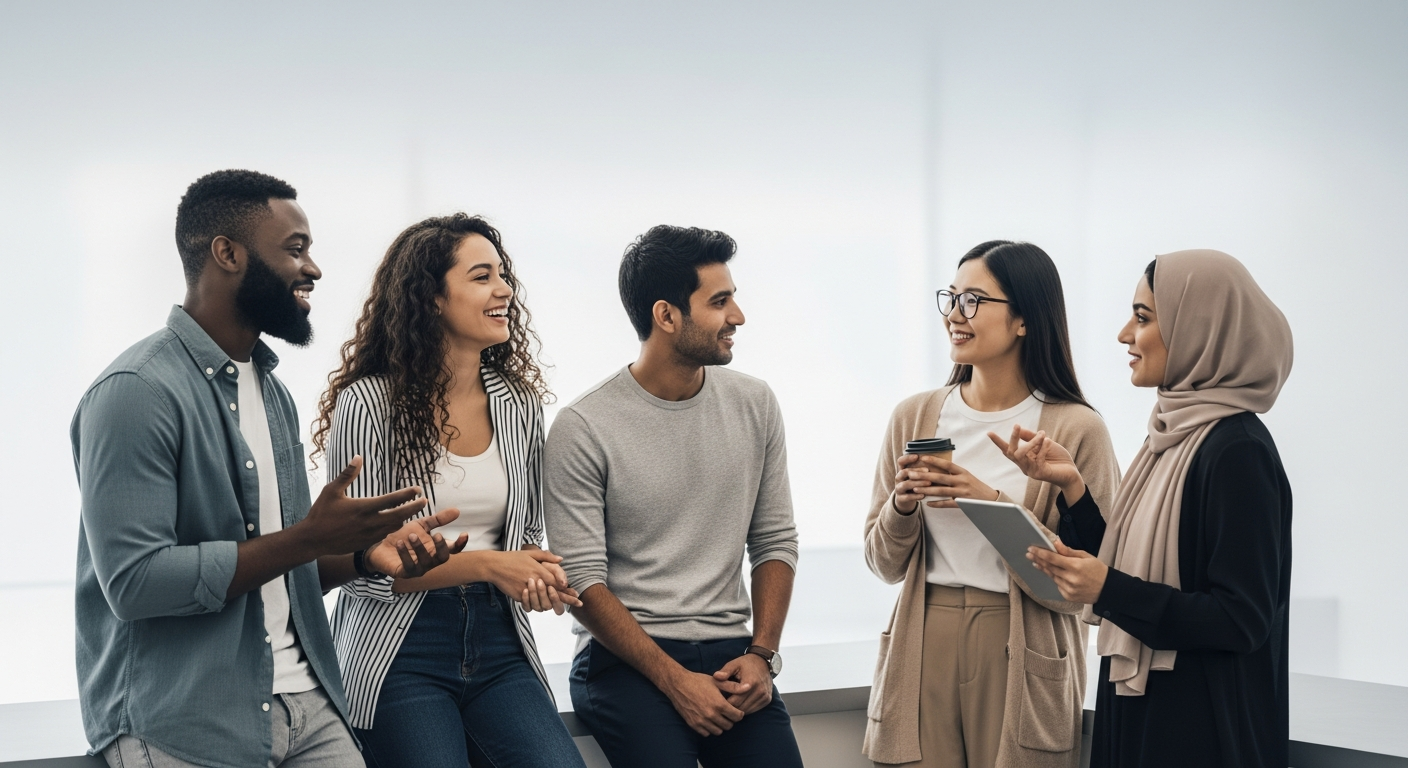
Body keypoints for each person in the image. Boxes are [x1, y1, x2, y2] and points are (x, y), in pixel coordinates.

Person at [72, 170, 464, 768]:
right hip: (186, 725)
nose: (314, 269)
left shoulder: (272, 393)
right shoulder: (136, 391)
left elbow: (280, 561)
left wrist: (361, 554)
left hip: (307, 705)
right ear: (227, 254)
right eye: (296, 249)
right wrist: (310, 537)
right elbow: (135, 583)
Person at [312, 213, 588, 768]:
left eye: (503, 275)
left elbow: (524, 536)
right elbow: (365, 570)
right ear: (432, 298)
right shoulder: (370, 403)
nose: (504, 289)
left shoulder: (518, 404)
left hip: (499, 642)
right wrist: (493, 566)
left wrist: (534, 577)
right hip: (401, 649)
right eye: (482, 276)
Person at [1005, 250, 1293, 767]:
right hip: (1145, 714)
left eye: (1142, 318)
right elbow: (1126, 568)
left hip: (1201, 733)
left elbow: (1240, 619)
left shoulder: (1237, 452)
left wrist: (1107, 590)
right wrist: (1071, 484)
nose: (1124, 334)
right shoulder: (1170, 437)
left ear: (1198, 329)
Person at [543, 225, 804, 768]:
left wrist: (762, 655)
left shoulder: (755, 403)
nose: (738, 316)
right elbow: (581, 580)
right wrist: (675, 680)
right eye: (720, 301)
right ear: (666, 316)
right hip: (624, 663)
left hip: (735, 654)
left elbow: (775, 540)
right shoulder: (584, 425)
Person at [863, 240, 1121, 768]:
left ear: (1024, 320)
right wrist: (903, 506)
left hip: (1021, 640)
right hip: (923, 634)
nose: (955, 315)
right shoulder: (913, 417)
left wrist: (987, 501)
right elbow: (883, 563)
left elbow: (1091, 589)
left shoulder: (1076, 428)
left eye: (974, 301)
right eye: (951, 297)